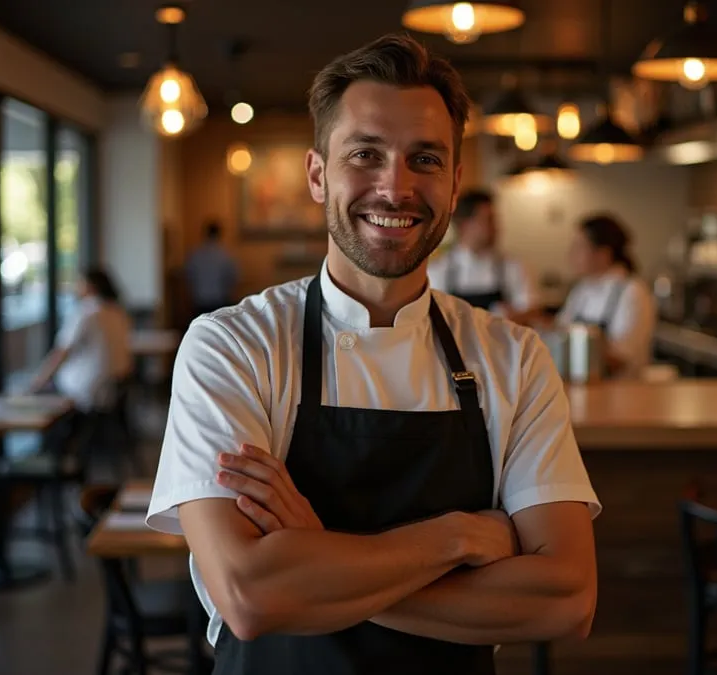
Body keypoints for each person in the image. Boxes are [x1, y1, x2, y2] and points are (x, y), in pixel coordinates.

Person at [146, 34, 600, 675]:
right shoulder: (233, 346)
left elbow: (567, 599)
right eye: (365, 154)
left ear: (455, 181)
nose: (396, 186)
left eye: (426, 159)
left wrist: (316, 558)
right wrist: (460, 536)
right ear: (316, 174)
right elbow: (250, 594)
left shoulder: (514, 358)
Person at [555, 213, 656, 379]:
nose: (571, 255)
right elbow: (560, 331)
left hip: (620, 392)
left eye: (579, 247)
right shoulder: (582, 289)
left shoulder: (632, 292)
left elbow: (622, 357)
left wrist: (581, 346)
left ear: (603, 253)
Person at [427, 188, 542, 324]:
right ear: (465, 225)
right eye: (489, 220)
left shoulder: (512, 266)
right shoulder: (438, 270)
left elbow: (534, 310)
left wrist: (511, 317)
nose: (497, 227)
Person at [29, 266, 132, 412]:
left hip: (85, 389)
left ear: (90, 286)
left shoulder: (86, 312)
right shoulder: (118, 311)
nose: (76, 287)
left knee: (44, 395)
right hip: (115, 386)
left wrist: (38, 382)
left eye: (79, 282)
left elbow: (62, 352)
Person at [184, 220, 239, 317]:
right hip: (220, 301)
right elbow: (233, 278)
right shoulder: (225, 255)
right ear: (220, 234)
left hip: (200, 301)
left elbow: (189, 276)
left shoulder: (195, 254)